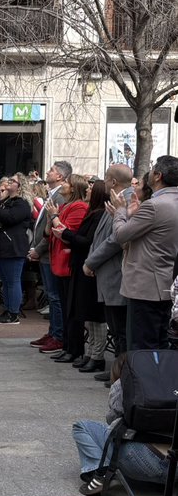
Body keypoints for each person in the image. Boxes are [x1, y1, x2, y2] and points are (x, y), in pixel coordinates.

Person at [109, 155, 178, 351]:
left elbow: (120, 235)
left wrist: (120, 212)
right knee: (160, 344)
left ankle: (146, 373)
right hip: (166, 282)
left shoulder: (154, 205)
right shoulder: (165, 202)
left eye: (153, 168)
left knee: (143, 346)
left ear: (158, 175)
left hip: (146, 286)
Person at [72, 357, 170, 496]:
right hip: (174, 466)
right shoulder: (171, 383)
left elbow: (112, 418)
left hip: (145, 462)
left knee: (82, 426)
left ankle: (100, 474)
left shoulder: (125, 382)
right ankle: (160, 481)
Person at [83, 164, 132, 378]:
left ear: (113, 181)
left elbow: (115, 239)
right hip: (107, 272)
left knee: (120, 329)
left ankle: (122, 374)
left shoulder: (127, 200)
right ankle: (117, 372)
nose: (102, 182)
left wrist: (91, 261)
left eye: (106, 178)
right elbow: (100, 236)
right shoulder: (114, 199)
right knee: (116, 327)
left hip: (116, 274)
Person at [53, 178, 107, 371]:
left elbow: (87, 241)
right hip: (81, 265)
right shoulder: (92, 212)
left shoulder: (98, 214)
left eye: (91, 188)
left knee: (94, 313)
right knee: (85, 312)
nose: (88, 190)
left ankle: (96, 355)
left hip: (89, 267)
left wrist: (65, 233)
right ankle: (90, 352)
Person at [27, 160, 72, 353]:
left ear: (60, 176)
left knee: (55, 297)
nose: (48, 172)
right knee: (51, 296)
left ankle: (58, 335)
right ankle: (53, 332)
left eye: (52, 170)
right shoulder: (52, 194)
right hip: (45, 253)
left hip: (50, 253)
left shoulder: (60, 196)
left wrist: (39, 249)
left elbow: (55, 227)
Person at [45, 173, 88, 363]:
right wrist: (52, 217)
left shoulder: (79, 206)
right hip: (58, 260)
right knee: (64, 306)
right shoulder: (63, 206)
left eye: (66, 182)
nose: (62, 184)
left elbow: (65, 233)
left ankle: (74, 348)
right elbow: (50, 232)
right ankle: (66, 345)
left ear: (73, 188)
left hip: (69, 263)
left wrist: (55, 217)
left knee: (71, 309)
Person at [0, 173, 33, 324]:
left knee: (13, 281)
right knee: (6, 281)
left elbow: (9, 218)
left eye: (13, 181)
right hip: (1, 247)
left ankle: (13, 313)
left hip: (14, 248)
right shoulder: (6, 201)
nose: (9, 182)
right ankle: (8, 309)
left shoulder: (22, 204)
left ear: (20, 186)